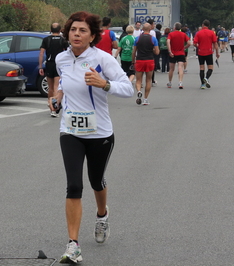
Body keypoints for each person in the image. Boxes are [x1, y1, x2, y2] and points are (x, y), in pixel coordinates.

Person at [51, 11, 133, 264]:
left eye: (82, 30)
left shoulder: (103, 59)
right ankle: (73, 245)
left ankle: (102, 215)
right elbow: (63, 82)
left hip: (100, 133)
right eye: (73, 29)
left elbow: (129, 88)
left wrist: (104, 84)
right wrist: (58, 98)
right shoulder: (62, 58)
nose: (76, 34)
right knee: (74, 185)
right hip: (70, 131)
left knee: (96, 181)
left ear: (93, 36)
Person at [39, 23, 68, 117]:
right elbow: (68, 52)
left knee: (50, 87)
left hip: (49, 64)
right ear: (60, 30)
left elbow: (41, 53)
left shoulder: (46, 40)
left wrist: (40, 66)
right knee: (57, 87)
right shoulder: (63, 40)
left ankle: (51, 105)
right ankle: (55, 109)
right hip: (59, 65)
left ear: (50, 30)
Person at [132, 22, 159, 105]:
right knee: (148, 80)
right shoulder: (153, 39)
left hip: (140, 60)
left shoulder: (138, 38)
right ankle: (145, 99)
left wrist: (133, 61)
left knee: (139, 80)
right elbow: (157, 52)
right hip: (149, 60)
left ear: (142, 29)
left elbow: (134, 51)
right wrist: (153, 50)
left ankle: (139, 91)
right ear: (150, 29)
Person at [193, 19, 220, 89]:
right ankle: (207, 78)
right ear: (209, 25)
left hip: (201, 52)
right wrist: (217, 53)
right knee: (210, 68)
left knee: (202, 68)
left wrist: (198, 46)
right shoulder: (212, 33)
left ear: (202, 25)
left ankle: (202, 84)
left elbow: (194, 43)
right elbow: (215, 43)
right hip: (209, 52)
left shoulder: (198, 33)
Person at [167, 22, 190, 89]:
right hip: (181, 53)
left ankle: (170, 82)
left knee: (171, 69)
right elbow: (189, 43)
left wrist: (170, 51)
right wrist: (185, 47)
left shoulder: (171, 34)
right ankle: (180, 82)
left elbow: (168, 41)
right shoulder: (183, 34)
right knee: (180, 68)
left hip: (173, 53)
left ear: (174, 27)